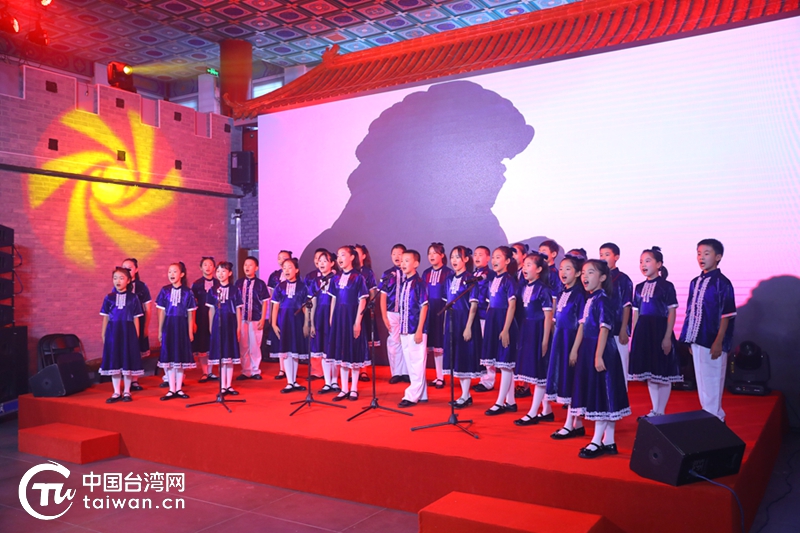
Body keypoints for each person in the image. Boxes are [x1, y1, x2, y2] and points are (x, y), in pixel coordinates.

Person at [568, 260, 631, 458]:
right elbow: (582, 326)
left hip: (602, 350)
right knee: (601, 393)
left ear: (603, 277)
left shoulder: (603, 299)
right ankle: (609, 441)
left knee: (603, 394)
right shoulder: (590, 299)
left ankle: (597, 440)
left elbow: (604, 329)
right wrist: (575, 349)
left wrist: (598, 355)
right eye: (583, 273)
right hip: (589, 349)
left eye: (591, 272)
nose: (585, 277)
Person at [679, 239, 736, 422]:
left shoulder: (722, 283)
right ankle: (708, 417)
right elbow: (690, 311)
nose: (701, 257)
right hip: (697, 338)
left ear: (718, 257)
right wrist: (689, 338)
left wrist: (719, 341)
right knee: (702, 380)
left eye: (706, 253)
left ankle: (716, 419)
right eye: (699, 253)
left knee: (713, 380)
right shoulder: (695, 282)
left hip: (712, 339)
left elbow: (726, 314)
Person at [629, 247, 682, 417]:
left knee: (662, 372)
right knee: (650, 373)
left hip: (660, 330)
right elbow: (636, 313)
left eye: (648, 261)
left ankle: (661, 411)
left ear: (659, 264)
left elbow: (672, 312)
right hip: (644, 332)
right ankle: (654, 410)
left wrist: (667, 337)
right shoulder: (639, 287)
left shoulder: (666, 286)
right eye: (641, 262)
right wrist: (635, 336)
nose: (643, 265)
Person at [547, 254, 587, 439]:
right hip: (561, 339)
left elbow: (582, 324)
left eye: (568, 269)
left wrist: (575, 349)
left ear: (578, 273)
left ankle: (570, 424)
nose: (563, 272)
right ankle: (576, 424)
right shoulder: (563, 292)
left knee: (571, 380)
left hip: (572, 340)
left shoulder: (580, 295)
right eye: (561, 268)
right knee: (565, 378)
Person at [513, 253, 554, 425]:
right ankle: (547, 410)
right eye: (524, 264)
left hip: (538, 331)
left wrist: (545, 340)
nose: (524, 268)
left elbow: (548, 316)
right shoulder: (523, 287)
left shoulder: (543, 289)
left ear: (538, 269)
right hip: (526, 330)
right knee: (532, 372)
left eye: (529, 265)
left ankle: (533, 412)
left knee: (539, 372)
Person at [442, 246, 483, 408]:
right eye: (452, 257)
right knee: (456, 358)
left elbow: (473, 305)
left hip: (465, 321)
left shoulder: (471, 279)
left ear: (466, 259)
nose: (454, 260)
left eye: (458, 257)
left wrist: (468, 327)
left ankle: (465, 395)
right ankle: (464, 395)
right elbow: (447, 302)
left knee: (464, 357)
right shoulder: (449, 279)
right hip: (452, 320)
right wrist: (445, 323)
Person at [328, 246, 369, 401]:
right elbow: (333, 299)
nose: (340, 258)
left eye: (343, 255)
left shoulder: (358, 277)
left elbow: (362, 300)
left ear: (352, 257)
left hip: (352, 317)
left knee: (353, 351)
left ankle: (354, 388)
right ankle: (344, 388)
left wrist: (357, 322)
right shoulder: (335, 278)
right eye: (338, 255)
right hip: (339, 318)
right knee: (342, 352)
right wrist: (331, 318)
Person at [482, 246, 519, 416]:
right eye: (493, 257)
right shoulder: (492, 279)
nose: (494, 260)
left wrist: (505, 329)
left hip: (504, 322)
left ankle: (499, 402)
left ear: (507, 261)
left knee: (505, 365)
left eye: (498, 257)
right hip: (493, 321)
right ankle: (511, 401)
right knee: (502, 365)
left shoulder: (509, 281)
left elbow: (512, 306)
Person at [100, 266, 144, 403]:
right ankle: (116, 391)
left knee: (127, 361)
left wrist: (136, 335)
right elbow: (105, 317)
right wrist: (103, 334)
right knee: (114, 360)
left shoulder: (133, 298)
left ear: (128, 280)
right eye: (115, 278)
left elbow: (136, 318)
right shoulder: (109, 298)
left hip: (128, 332)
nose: (117, 281)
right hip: (113, 332)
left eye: (121, 278)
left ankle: (127, 391)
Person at [156, 262, 197, 400]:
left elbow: (191, 313)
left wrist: (190, 331)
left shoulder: (188, 292)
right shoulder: (164, 290)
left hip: (182, 327)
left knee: (180, 358)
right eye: (169, 272)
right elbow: (161, 312)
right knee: (169, 358)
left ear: (182, 274)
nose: (171, 274)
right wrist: (160, 331)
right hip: (168, 326)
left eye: (174, 271)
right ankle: (171, 389)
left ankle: (179, 388)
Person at [271, 258, 311, 393]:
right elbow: (275, 306)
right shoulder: (279, 287)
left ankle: (294, 381)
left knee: (295, 351)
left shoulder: (303, 287)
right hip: (284, 321)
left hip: (298, 321)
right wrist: (273, 323)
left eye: (290, 267)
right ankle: (289, 382)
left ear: (297, 270)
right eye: (284, 268)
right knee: (287, 351)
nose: (287, 270)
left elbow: (305, 307)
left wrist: (307, 323)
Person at [396, 250, 430, 408]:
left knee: (416, 363)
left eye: (407, 260)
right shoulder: (404, 283)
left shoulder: (419, 283)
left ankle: (411, 396)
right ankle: (422, 394)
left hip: (415, 328)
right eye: (402, 261)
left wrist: (419, 329)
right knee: (411, 364)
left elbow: (424, 307)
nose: (403, 263)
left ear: (416, 264)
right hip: (404, 329)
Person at [599, 243, 633, 390]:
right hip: (600, 329)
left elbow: (627, 305)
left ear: (616, 257)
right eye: (601, 255)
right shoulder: (599, 278)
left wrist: (624, 329)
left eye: (607, 254)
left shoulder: (623, 279)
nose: (603, 258)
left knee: (621, 365)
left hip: (618, 329)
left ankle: (621, 397)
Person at [206, 261, 243, 396]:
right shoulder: (212, 290)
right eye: (218, 271)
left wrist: (238, 328)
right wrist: (211, 326)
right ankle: (222, 386)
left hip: (231, 324)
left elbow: (238, 310)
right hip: (218, 324)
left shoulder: (235, 290)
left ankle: (229, 386)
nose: (220, 274)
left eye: (223, 271)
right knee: (221, 356)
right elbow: (211, 310)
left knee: (230, 355)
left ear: (230, 273)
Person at [234, 256, 270, 381]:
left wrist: (263, 318)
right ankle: (246, 370)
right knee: (243, 345)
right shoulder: (238, 283)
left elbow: (265, 302)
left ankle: (255, 370)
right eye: (245, 265)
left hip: (256, 318)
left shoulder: (260, 284)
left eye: (250, 265)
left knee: (255, 345)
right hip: (242, 319)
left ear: (256, 268)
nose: (247, 267)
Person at [423, 242, 453, 389]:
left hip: (442, 311)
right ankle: (438, 375)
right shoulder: (426, 273)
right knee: (433, 344)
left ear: (442, 255)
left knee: (441, 343)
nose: (431, 256)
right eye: (429, 253)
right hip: (429, 311)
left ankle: (444, 376)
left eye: (435, 253)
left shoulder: (448, 273)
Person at [379, 244, 409, 384]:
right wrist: (384, 316)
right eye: (394, 254)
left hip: (407, 313)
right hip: (392, 312)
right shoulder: (387, 274)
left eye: (400, 253)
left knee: (406, 342)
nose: (397, 256)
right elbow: (383, 296)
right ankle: (396, 372)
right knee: (394, 341)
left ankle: (406, 372)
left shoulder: (409, 272)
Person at [309, 251, 339, 393]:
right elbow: (313, 302)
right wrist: (311, 322)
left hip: (333, 316)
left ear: (332, 263)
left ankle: (335, 381)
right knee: (322, 350)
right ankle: (327, 382)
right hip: (320, 317)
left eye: (325, 261)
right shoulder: (315, 281)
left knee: (333, 349)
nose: (321, 263)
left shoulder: (337, 279)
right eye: (319, 261)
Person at [121, 258, 151, 392]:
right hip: (122, 323)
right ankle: (124, 380)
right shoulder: (118, 285)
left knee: (136, 350)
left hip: (138, 321)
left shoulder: (142, 286)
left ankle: (134, 380)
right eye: (124, 268)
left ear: (136, 269)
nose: (127, 271)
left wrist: (146, 327)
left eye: (130, 268)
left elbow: (148, 308)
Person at [472, 245, 496, 393]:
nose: (477, 257)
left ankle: (489, 380)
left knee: (487, 348)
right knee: (479, 348)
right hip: (474, 316)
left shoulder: (491, 275)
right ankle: (482, 378)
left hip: (485, 315)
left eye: (480, 254)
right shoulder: (473, 275)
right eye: (475, 254)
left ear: (488, 258)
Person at [192, 257, 220, 383]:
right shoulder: (196, 284)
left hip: (216, 317)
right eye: (205, 265)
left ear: (214, 268)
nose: (208, 267)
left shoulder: (218, 283)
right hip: (201, 318)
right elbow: (192, 304)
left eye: (210, 265)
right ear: (201, 267)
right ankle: (205, 372)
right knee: (203, 344)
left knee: (213, 343)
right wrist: (193, 321)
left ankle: (212, 371)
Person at [355, 244, 379, 382]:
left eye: (358, 253)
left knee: (363, 340)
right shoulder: (349, 271)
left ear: (364, 256)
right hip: (349, 311)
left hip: (363, 311)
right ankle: (352, 369)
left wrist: (371, 307)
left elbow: (372, 292)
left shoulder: (367, 272)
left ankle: (363, 370)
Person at [267, 250, 292, 379]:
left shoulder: (294, 275)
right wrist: (271, 315)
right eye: (280, 258)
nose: (282, 260)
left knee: (291, 339)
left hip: (291, 312)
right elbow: (272, 297)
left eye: (285, 258)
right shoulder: (274, 276)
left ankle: (291, 369)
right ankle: (282, 369)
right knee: (279, 338)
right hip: (278, 311)